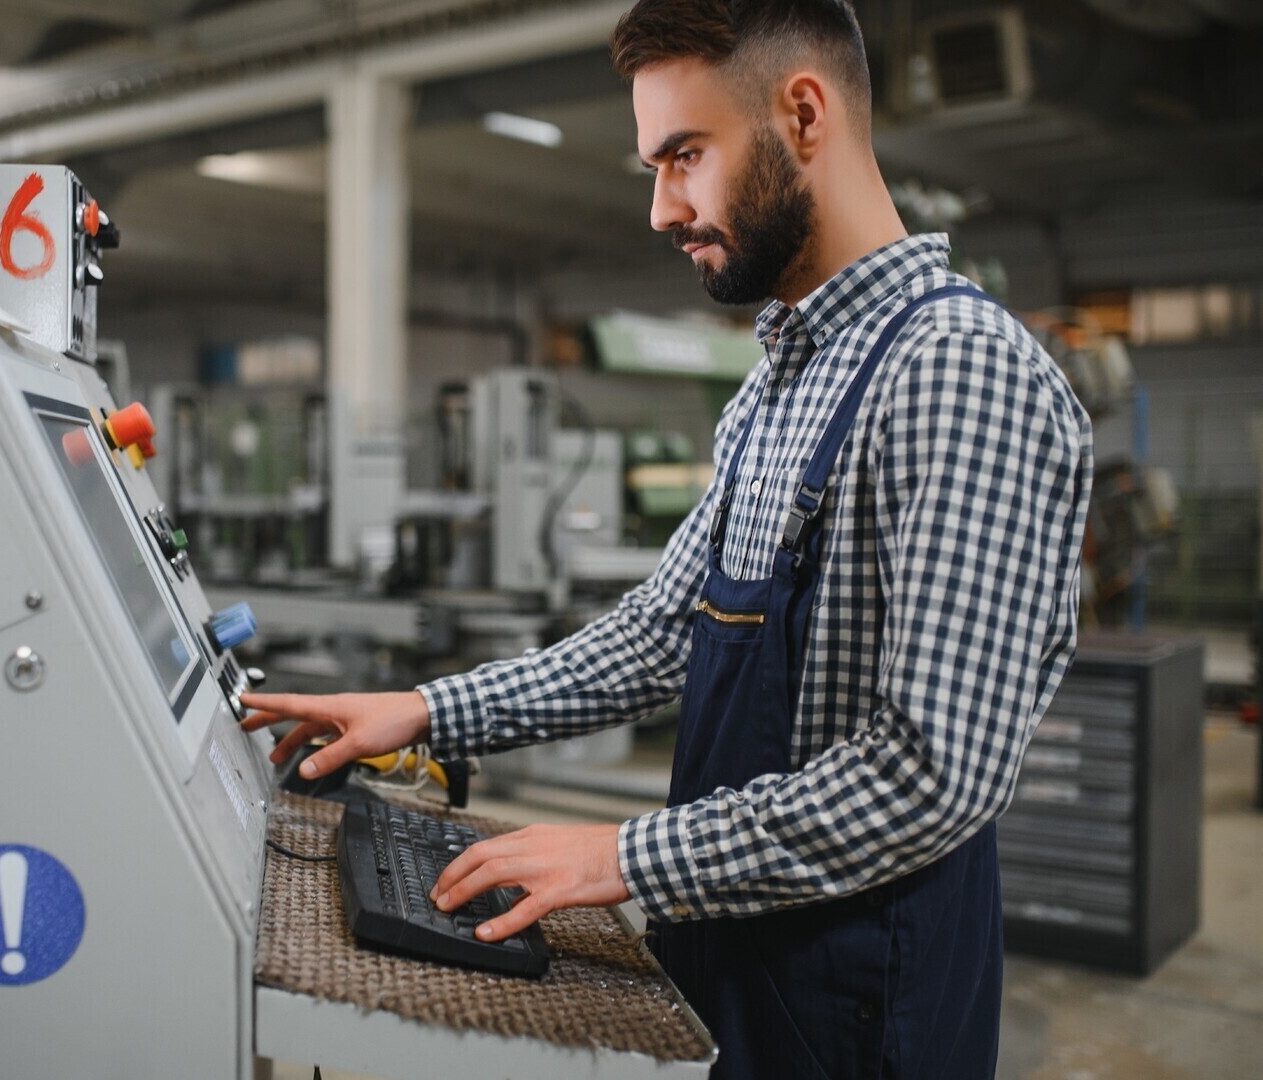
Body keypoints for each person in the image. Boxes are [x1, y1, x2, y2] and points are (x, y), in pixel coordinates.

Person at [244, 1, 1093, 1075]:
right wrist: (422, 710)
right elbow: (660, 635)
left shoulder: (958, 371)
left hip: (860, 1002)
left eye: (684, 156)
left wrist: (624, 855)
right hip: (737, 948)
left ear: (801, 113)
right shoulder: (784, 379)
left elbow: (930, 775)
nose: (660, 208)